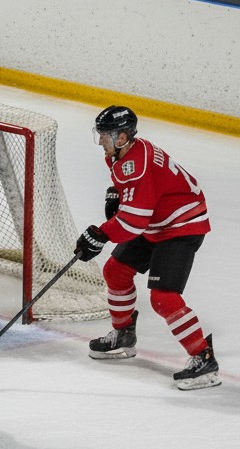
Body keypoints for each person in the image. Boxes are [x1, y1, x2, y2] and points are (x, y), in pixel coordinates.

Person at [74, 105, 219, 390]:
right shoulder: (122, 155)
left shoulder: (135, 164)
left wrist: (99, 235)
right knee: (116, 271)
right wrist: (119, 193)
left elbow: (133, 221)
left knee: (164, 298)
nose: (101, 141)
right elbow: (138, 200)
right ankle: (123, 335)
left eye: (105, 135)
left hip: (181, 226)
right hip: (157, 222)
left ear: (122, 137)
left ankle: (203, 358)